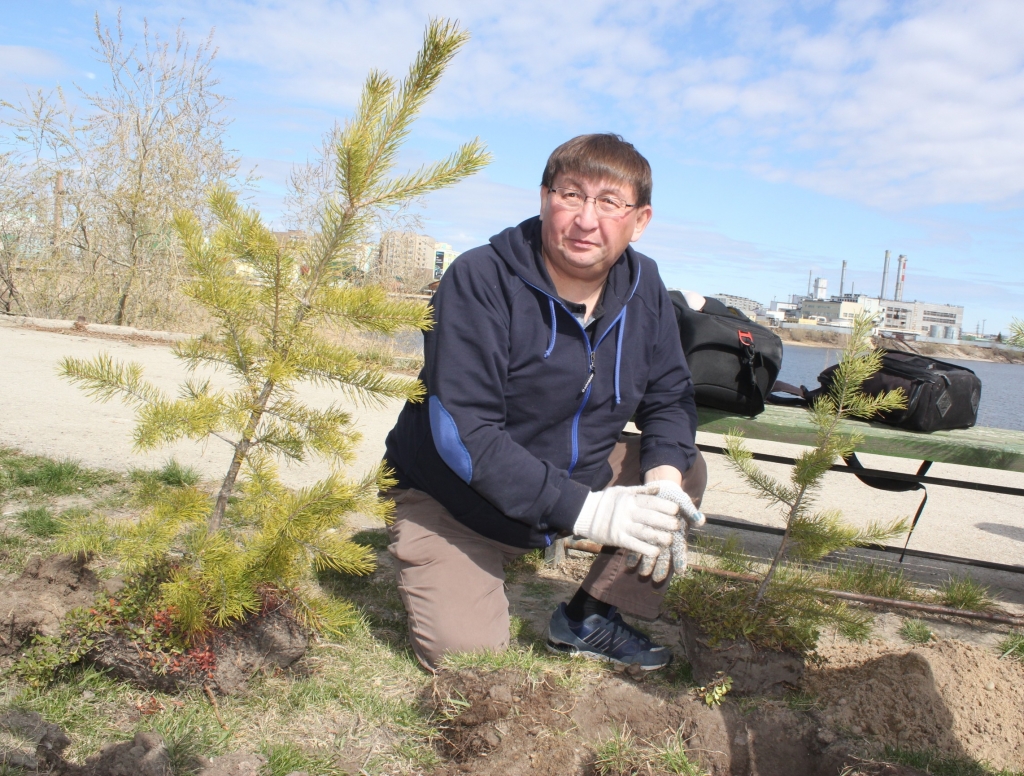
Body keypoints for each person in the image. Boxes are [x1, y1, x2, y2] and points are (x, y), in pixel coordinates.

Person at [382, 133, 706, 672]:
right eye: (571, 195)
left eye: (609, 203)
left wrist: (664, 483)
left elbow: (670, 396)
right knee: (470, 662)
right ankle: (446, 564)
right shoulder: (479, 277)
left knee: (679, 474)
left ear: (640, 219)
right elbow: (464, 435)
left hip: (570, 483)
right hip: (453, 502)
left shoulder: (645, 284)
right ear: (543, 198)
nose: (586, 220)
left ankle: (590, 615)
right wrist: (590, 511)